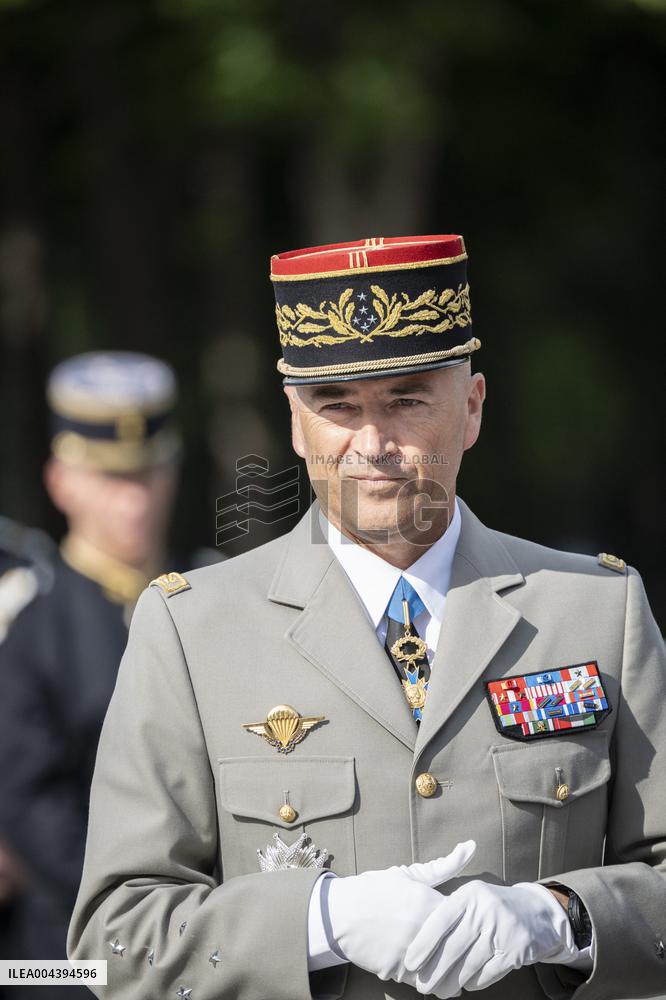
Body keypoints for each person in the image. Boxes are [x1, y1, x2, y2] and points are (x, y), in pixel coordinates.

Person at [67, 237, 665, 1000]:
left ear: (473, 407)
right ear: (295, 421)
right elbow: (112, 939)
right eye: (338, 407)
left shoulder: (593, 609)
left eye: (408, 401)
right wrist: (323, 921)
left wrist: (561, 918)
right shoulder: (192, 631)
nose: (373, 444)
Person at [0, 351, 183, 997]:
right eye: (111, 479)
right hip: (69, 961)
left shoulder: (208, 594)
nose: (134, 499)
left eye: (147, 473)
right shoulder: (30, 624)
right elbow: (33, 805)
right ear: (61, 482)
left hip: (202, 946)